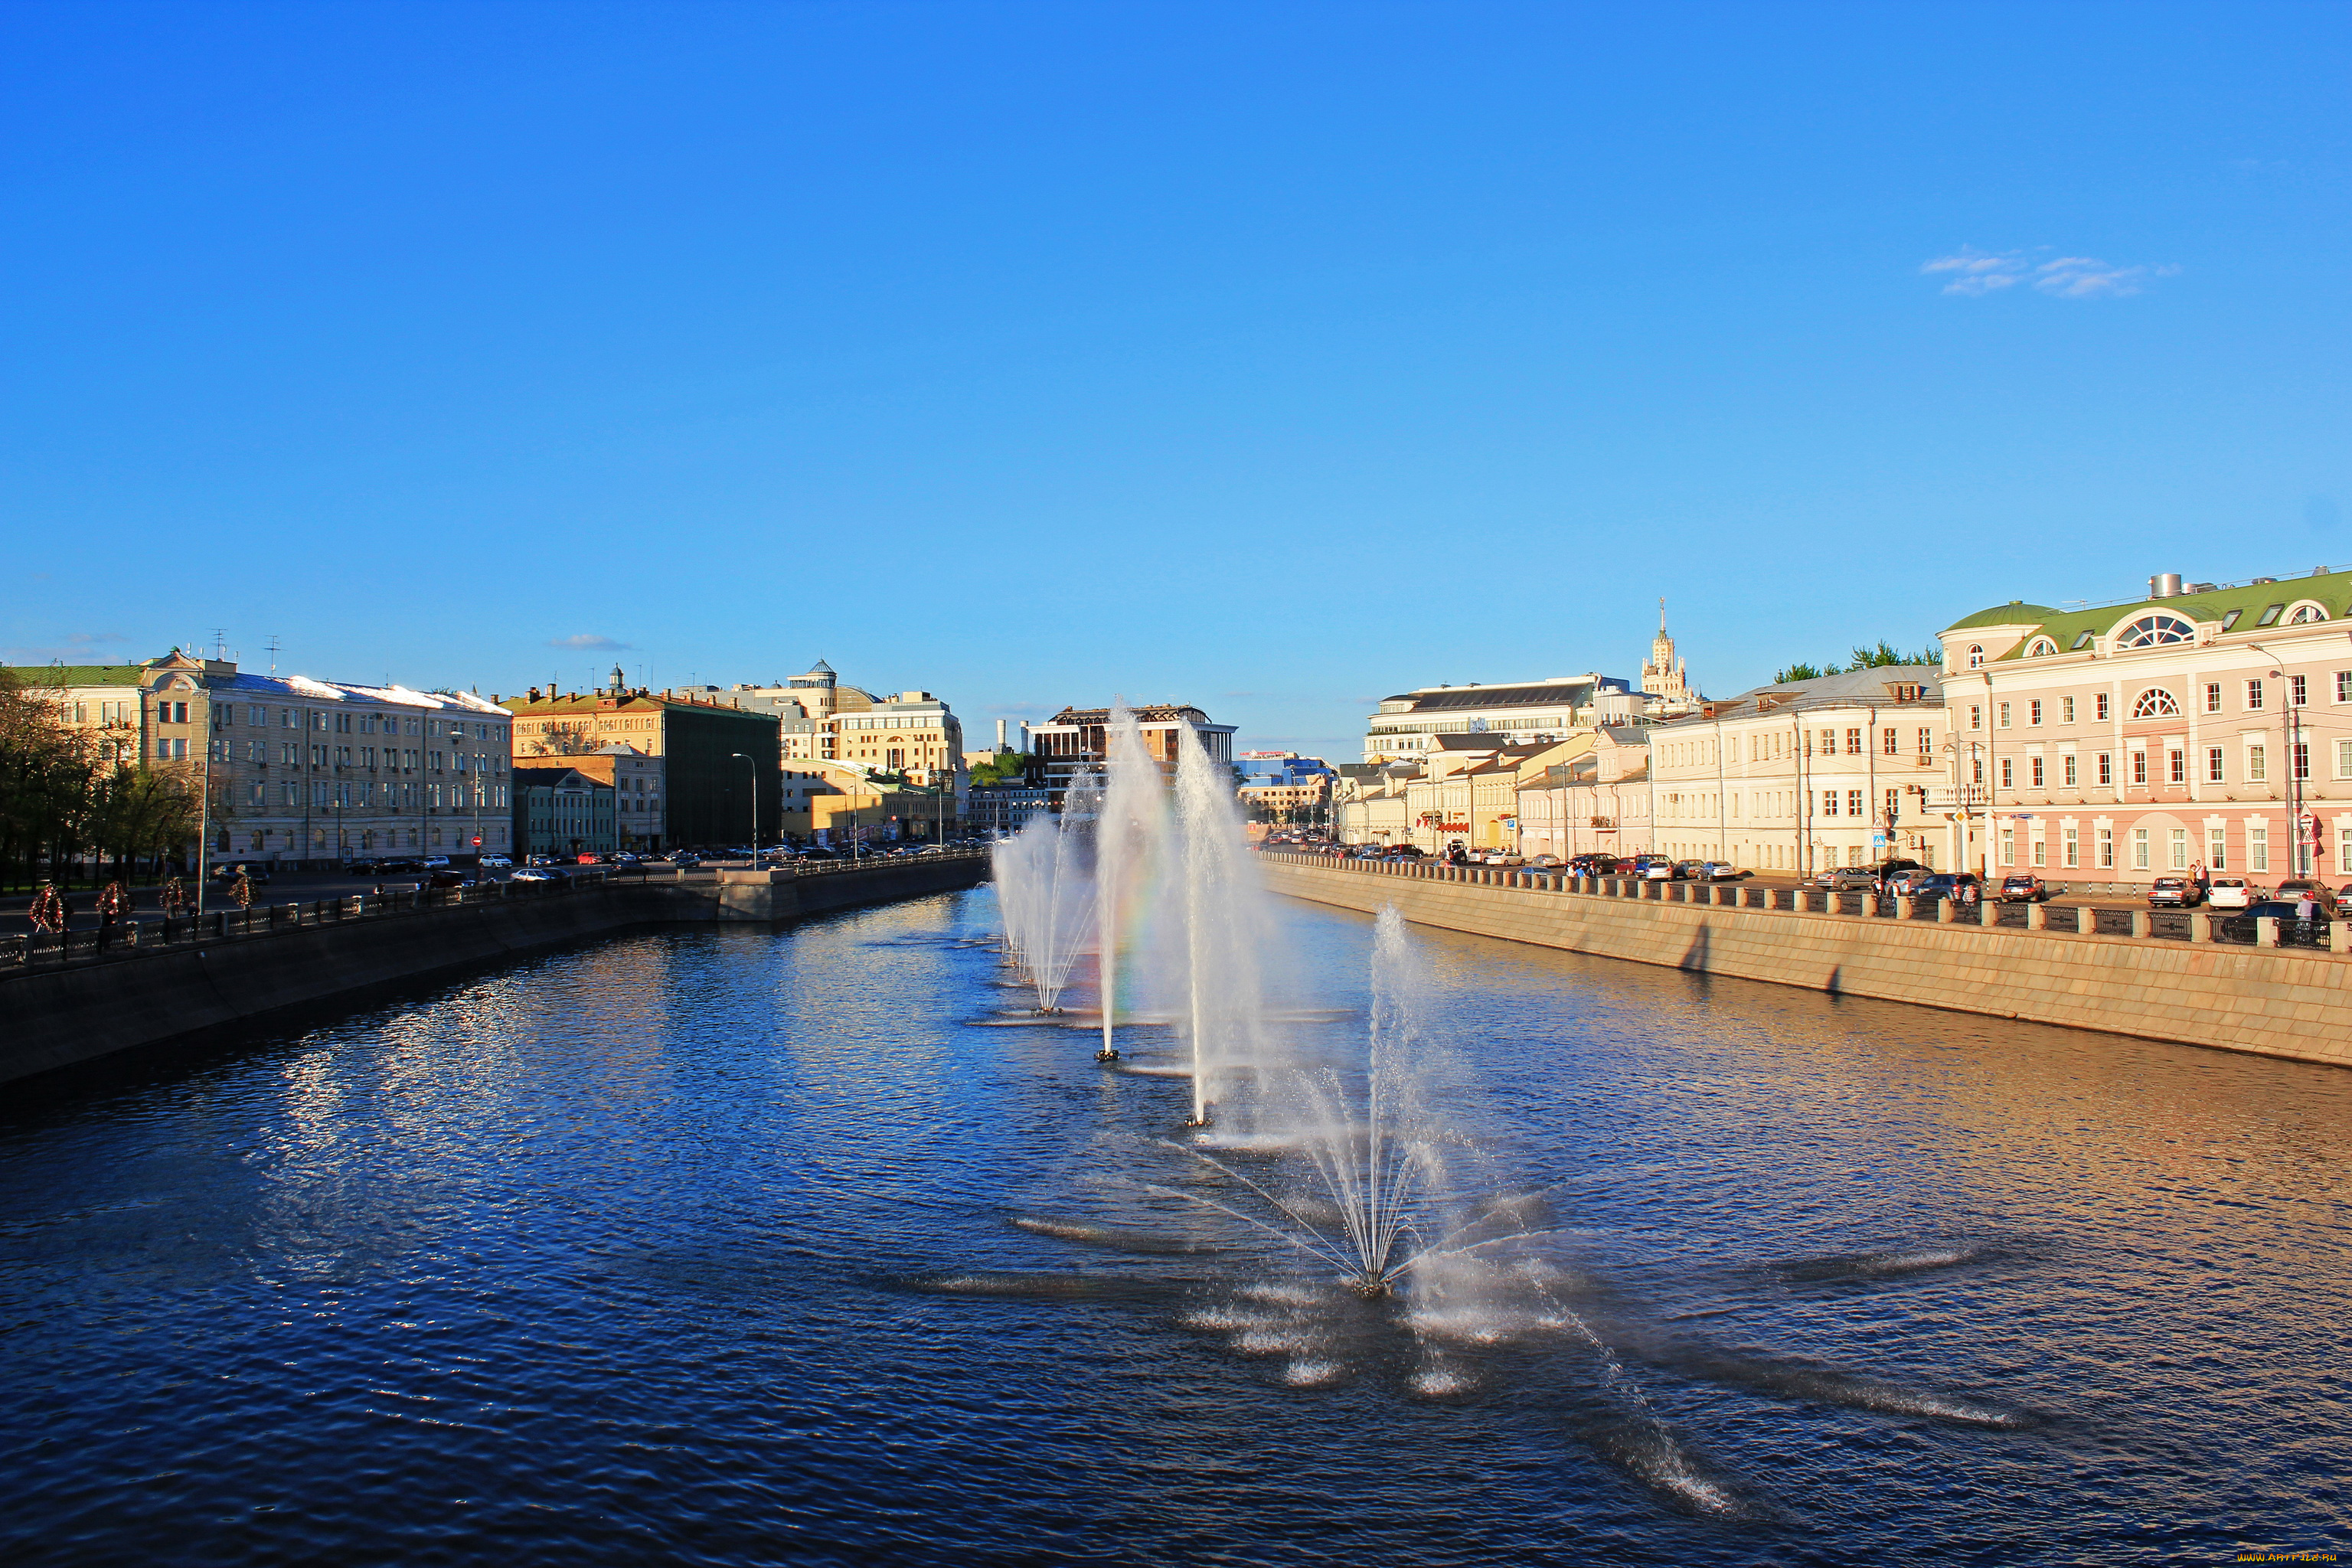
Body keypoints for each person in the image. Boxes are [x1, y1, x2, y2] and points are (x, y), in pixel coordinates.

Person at [95, 880, 129, 953]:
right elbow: (102, 904)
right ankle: (100, 946)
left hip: (111, 915)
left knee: (108, 929)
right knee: (103, 929)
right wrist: (112, 904)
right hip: (105, 914)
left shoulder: (119, 894)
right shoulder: (108, 894)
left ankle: (106, 944)